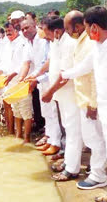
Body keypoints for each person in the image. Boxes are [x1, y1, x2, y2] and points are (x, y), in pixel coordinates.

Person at [58, 6, 107, 197]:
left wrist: (92, 103)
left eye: (87, 27)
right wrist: (63, 74)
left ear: (94, 27)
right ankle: (98, 174)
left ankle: (98, 175)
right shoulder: (97, 46)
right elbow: (84, 67)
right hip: (102, 104)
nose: (85, 32)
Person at [40, 17, 81, 181]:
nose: (44, 36)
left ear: (56, 31)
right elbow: (53, 66)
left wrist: (50, 91)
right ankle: (69, 162)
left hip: (69, 94)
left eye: (46, 32)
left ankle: (72, 169)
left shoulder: (69, 44)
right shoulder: (56, 42)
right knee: (68, 128)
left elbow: (65, 75)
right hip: (61, 95)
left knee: (73, 131)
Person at [20, 19, 61, 153]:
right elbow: (34, 63)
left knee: (53, 113)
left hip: (51, 81)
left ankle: (56, 143)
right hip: (41, 80)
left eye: (27, 28)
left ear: (35, 26)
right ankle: (50, 140)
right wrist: (28, 77)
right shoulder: (28, 43)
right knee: (46, 113)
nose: (25, 31)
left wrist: (36, 78)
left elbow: (51, 64)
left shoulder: (44, 40)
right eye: (22, 29)